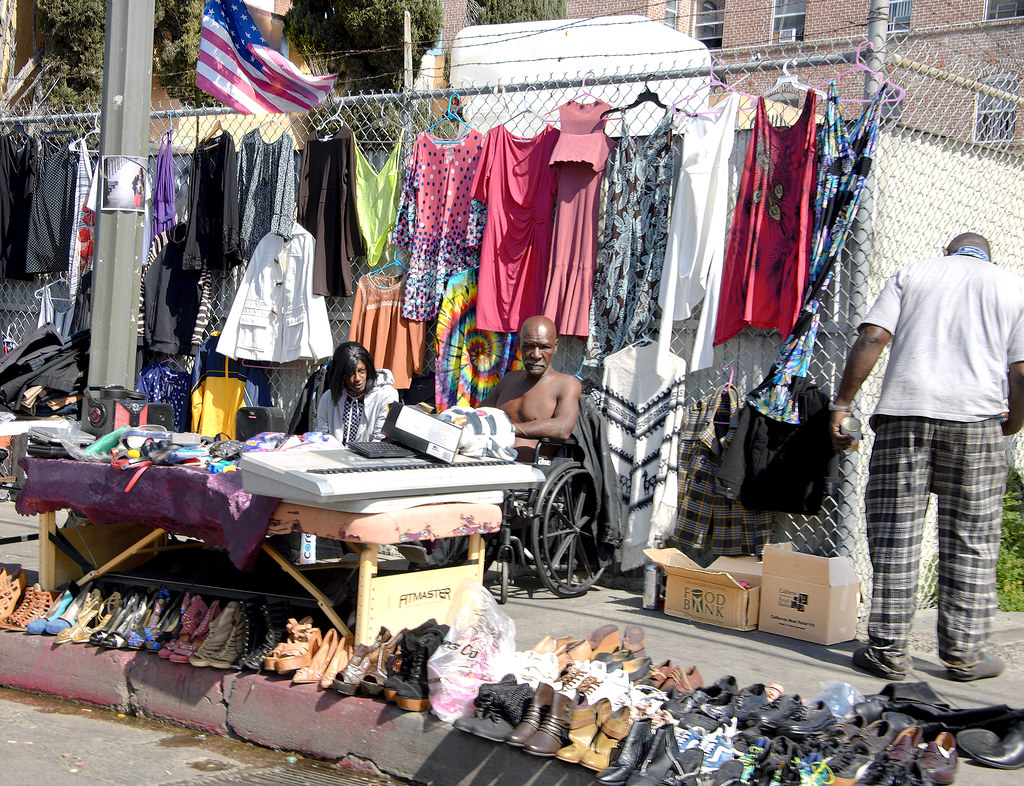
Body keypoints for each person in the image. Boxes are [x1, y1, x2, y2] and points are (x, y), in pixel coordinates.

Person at [831, 232, 1024, 683]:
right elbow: (1021, 370)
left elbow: (873, 336)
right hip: (977, 424)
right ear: (987, 257)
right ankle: (964, 655)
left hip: (904, 418)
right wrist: (1014, 422)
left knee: (895, 535)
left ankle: (888, 652)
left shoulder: (913, 274)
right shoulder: (1013, 286)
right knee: (971, 539)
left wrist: (843, 404)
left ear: (947, 253)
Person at [483, 315, 582, 462]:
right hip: (485, 460)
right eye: (529, 346)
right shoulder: (509, 379)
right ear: (519, 344)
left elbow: (562, 428)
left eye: (544, 347)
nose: (536, 355)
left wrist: (509, 429)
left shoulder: (567, 384)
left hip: (529, 470)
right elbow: (479, 415)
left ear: (555, 346)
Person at [316, 341, 399, 445]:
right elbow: (322, 435)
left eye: (361, 371)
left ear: (368, 369)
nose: (357, 378)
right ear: (340, 375)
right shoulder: (328, 397)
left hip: (371, 453)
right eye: (350, 373)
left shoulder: (387, 395)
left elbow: (381, 439)